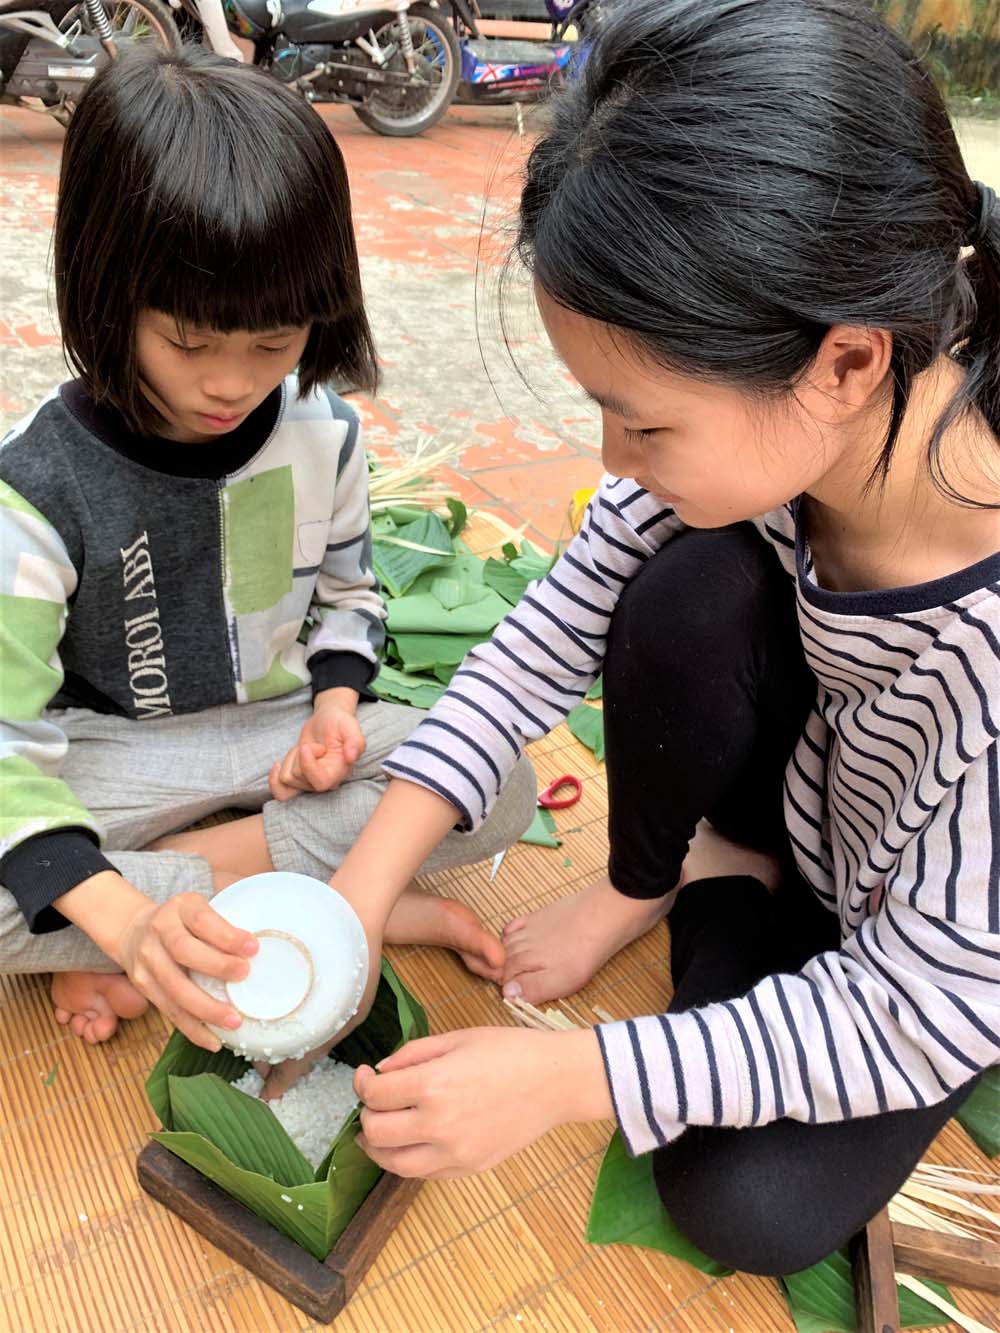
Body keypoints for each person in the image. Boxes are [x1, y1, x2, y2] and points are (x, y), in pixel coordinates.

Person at [268, 0, 1000, 1277]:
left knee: (748, 1207)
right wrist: (360, 894)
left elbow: (920, 1011)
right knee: (673, 588)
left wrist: (570, 1074)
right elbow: (545, 635)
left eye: (643, 423)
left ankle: (721, 886)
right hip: (819, 790)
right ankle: (692, 871)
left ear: (843, 364)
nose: (612, 460)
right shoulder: (823, 398)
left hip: (940, 935)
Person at [0, 45, 535, 1051]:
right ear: (103, 292)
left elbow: (351, 595)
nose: (232, 383)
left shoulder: (322, 432)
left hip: (279, 740)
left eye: (274, 340)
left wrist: (334, 707)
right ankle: (310, 899)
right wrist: (126, 920)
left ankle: (179, 897)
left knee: (495, 779)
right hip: (112, 757)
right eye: (190, 342)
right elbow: (6, 745)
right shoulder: (34, 490)